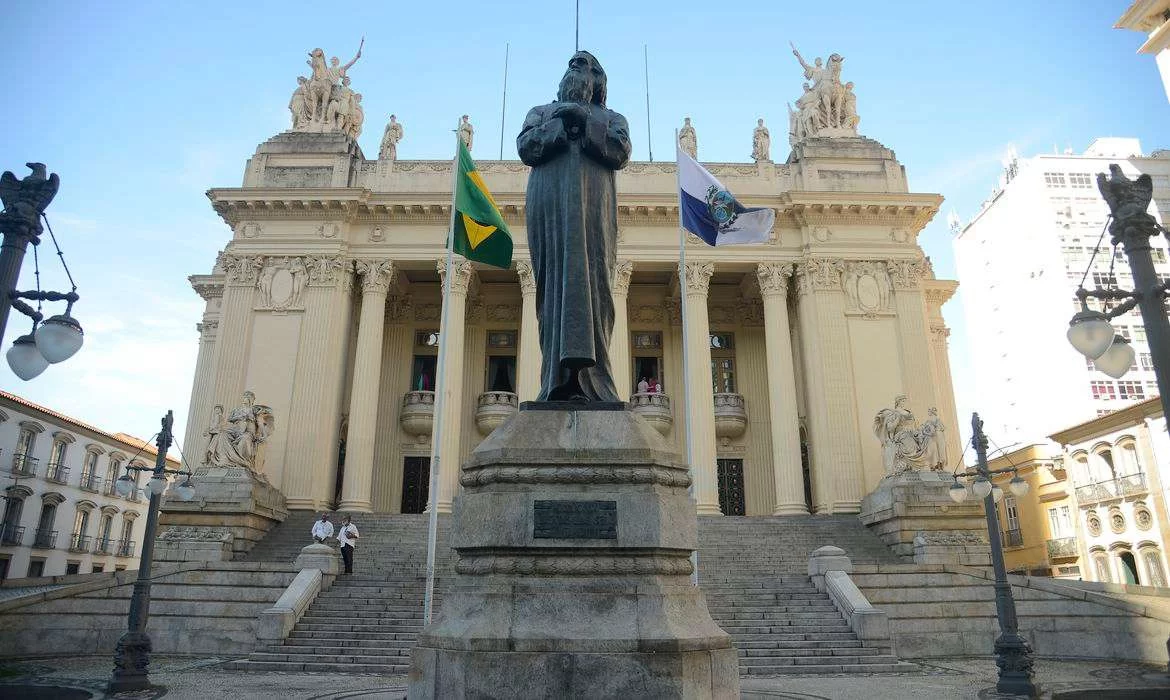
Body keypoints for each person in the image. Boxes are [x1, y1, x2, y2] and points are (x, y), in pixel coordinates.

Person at [517, 51, 632, 401]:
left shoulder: (612, 118)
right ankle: (555, 381)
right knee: (552, 292)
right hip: (550, 211)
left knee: (595, 290)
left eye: (586, 66)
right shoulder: (541, 112)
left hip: (593, 211)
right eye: (573, 65)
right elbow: (526, 147)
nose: (577, 71)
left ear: (599, 81)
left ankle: (595, 383)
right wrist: (561, 123)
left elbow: (620, 151)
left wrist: (586, 121)